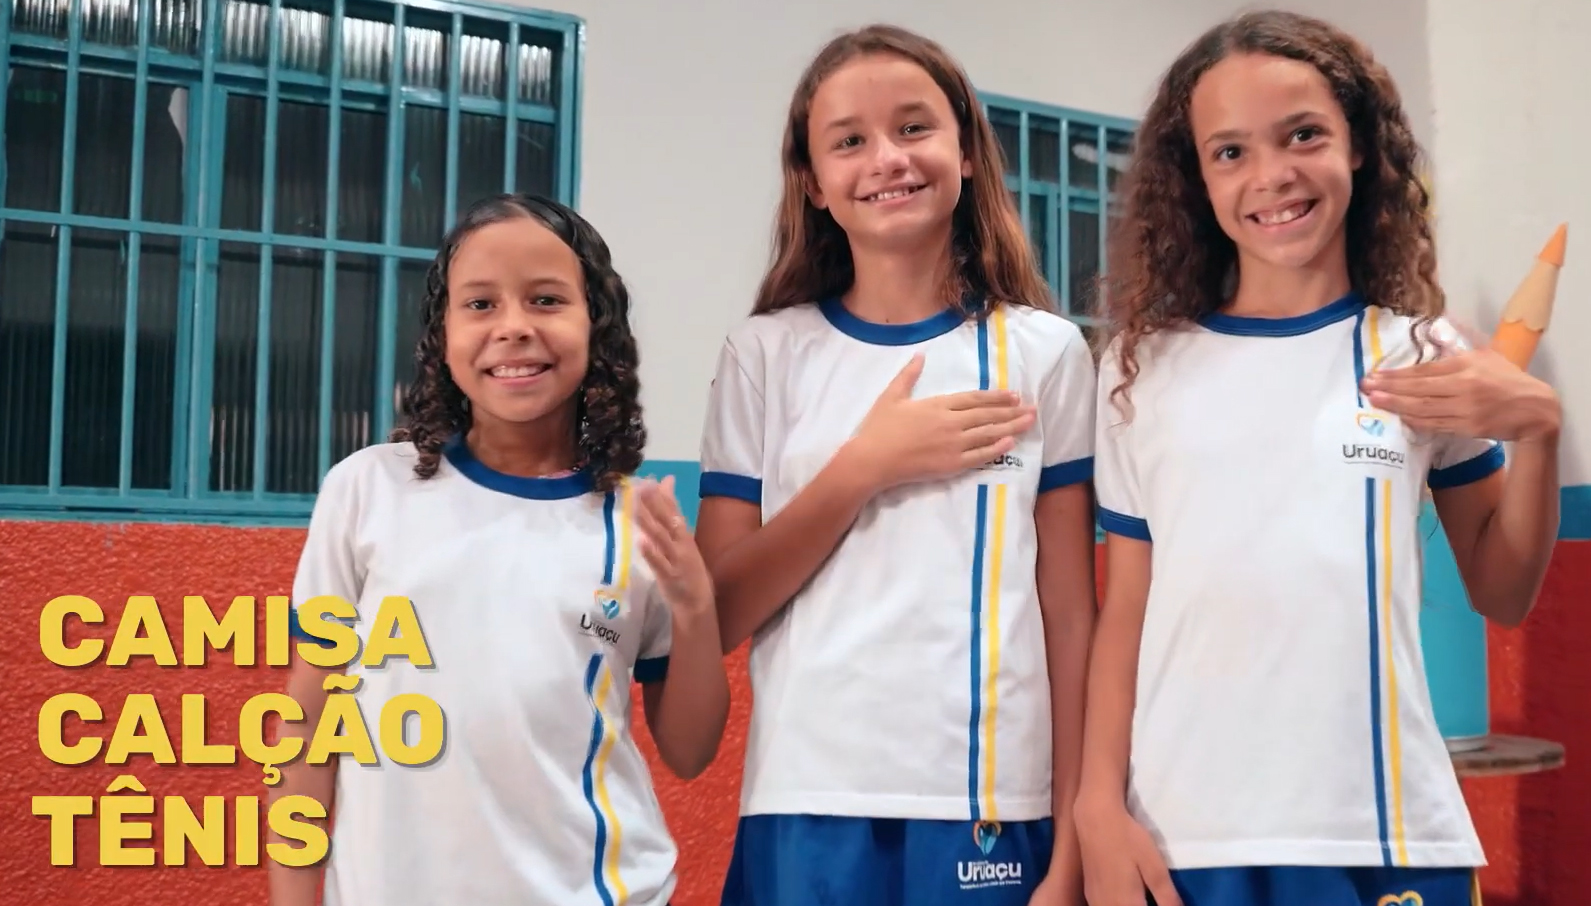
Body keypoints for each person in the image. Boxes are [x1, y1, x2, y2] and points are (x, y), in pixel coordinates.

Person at [1073, 11, 1562, 906]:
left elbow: (1502, 590)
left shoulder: (1421, 353)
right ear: (1196, 179)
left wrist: (1539, 433)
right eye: (1230, 152)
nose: (1271, 175)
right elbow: (1124, 613)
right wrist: (1096, 807)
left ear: (1360, 147)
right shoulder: (1139, 371)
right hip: (1185, 838)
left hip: (1386, 835)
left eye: (1302, 135)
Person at [693, 24, 1097, 906]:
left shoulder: (1046, 353)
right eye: (848, 141)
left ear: (965, 150)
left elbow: (1070, 617)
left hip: (992, 803)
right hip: (806, 800)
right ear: (812, 181)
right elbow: (716, 612)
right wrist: (862, 468)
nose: (887, 158)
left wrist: (1072, 842)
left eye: (914, 127)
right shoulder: (763, 354)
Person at [267, 193, 731, 906]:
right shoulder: (366, 489)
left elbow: (690, 752)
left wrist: (696, 610)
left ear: (596, 325)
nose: (513, 327)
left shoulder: (638, 522)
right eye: (480, 304)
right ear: (442, 334)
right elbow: (306, 729)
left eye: (546, 299)